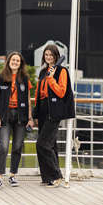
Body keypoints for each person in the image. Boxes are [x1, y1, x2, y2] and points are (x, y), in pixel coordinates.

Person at [33, 45, 75, 188]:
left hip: (54, 110)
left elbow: (61, 92)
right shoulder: (43, 72)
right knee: (51, 145)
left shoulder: (61, 71)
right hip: (43, 109)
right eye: (46, 54)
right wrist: (36, 114)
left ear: (56, 56)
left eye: (51, 54)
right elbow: (38, 94)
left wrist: (51, 79)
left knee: (42, 143)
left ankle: (56, 176)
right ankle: (48, 177)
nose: (48, 57)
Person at [0, 52, 35, 190]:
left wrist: (30, 118)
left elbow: (28, 100)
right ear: (8, 61)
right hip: (4, 115)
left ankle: (12, 175)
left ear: (20, 63)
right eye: (13, 60)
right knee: (3, 146)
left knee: (17, 146)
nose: (15, 62)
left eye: (18, 60)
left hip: (20, 116)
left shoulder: (25, 79)